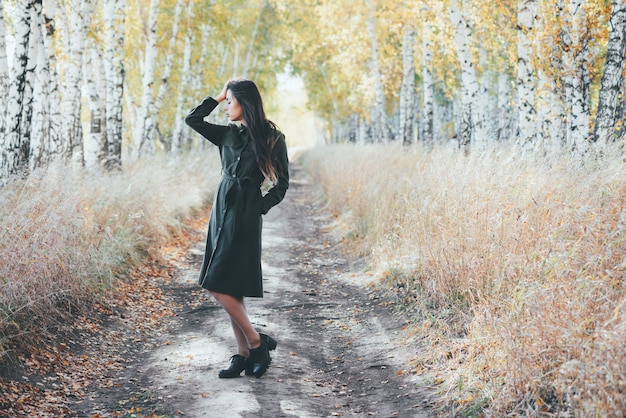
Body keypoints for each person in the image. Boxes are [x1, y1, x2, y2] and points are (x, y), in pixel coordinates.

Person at [185, 78, 289, 378]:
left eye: (231, 101)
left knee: (220, 283)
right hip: (222, 207)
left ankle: (255, 343)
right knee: (226, 283)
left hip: (246, 212)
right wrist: (218, 96)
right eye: (226, 102)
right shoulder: (226, 134)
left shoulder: (272, 137)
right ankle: (246, 352)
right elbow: (192, 119)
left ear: (246, 102)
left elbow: (281, 185)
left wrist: (260, 206)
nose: (227, 107)